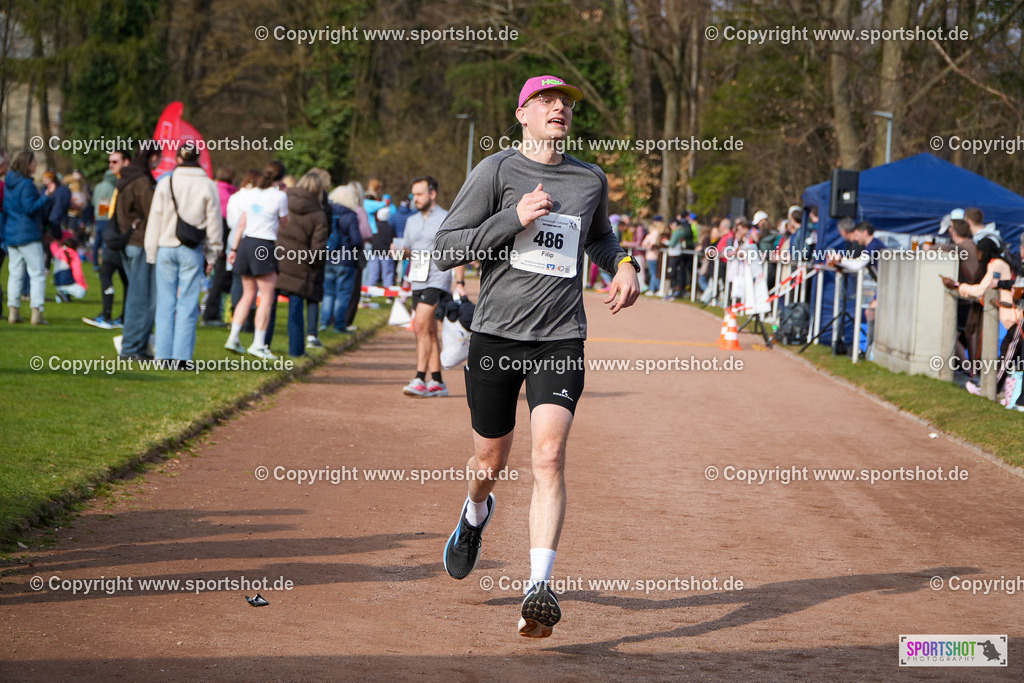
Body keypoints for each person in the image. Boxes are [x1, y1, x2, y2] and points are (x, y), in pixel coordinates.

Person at [434, 74, 640, 638]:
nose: (559, 110)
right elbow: (447, 244)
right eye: (546, 102)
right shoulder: (497, 171)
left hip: (560, 336)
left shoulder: (588, 179)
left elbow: (599, 237)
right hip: (497, 336)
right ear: (522, 114)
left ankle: (537, 587)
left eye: (566, 103)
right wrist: (513, 218)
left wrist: (624, 265)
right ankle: (475, 515)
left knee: (548, 458)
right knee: (489, 464)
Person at [145, 143, 223, 368]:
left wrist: (151, 251)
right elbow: (214, 224)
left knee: (165, 303)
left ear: (178, 158)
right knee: (188, 304)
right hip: (192, 248)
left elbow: (155, 219)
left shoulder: (165, 182)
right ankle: (181, 358)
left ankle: (162, 357)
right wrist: (213, 253)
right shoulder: (208, 185)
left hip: (166, 247)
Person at [401, 175, 466, 398]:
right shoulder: (411, 221)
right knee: (427, 330)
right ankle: (438, 382)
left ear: (432, 194)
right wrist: (400, 251)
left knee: (419, 326)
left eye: (419, 194)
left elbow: (457, 253)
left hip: (437, 279)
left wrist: (460, 282)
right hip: (417, 279)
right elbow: (408, 249)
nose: (415, 199)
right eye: (413, 195)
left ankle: (420, 378)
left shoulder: (447, 218)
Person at [223, 161, 288, 360]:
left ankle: (233, 337)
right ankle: (258, 344)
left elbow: (242, 223)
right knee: (267, 297)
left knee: (247, 294)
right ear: (281, 178)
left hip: (245, 244)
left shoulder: (249, 194)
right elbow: (285, 223)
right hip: (264, 244)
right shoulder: (280, 196)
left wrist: (233, 249)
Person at [278, 170, 329, 357]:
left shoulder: (283, 200)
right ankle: (296, 350)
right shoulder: (319, 214)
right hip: (301, 265)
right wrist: (314, 264)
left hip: (278, 258)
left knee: (270, 307)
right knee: (296, 311)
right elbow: (318, 248)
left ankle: (263, 345)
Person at [115, 147, 159, 360]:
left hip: (128, 241)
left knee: (136, 295)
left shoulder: (126, 178)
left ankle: (134, 345)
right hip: (141, 242)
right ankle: (132, 348)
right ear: (152, 157)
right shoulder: (142, 181)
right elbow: (154, 212)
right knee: (143, 298)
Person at [4, 151, 52, 325]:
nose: (36, 165)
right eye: (34, 162)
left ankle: (13, 311)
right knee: (37, 273)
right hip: (28, 234)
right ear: (27, 164)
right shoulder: (26, 185)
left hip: (12, 233)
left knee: (15, 274)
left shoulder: (10, 183)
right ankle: (36, 313)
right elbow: (29, 208)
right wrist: (46, 197)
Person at [84, 150, 131, 329]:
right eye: (109, 162)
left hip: (120, 235)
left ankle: (108, 314)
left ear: (126, 162)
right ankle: (120, 316)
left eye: (114, 161)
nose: (110, 165)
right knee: (121, 276)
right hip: (115, 233)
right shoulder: (118, 182)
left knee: (110, 273)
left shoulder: (126, 182)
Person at [321, 183, 363, 332]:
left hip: (328, 258)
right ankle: (339, 325)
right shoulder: (351, 216)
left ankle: (324, 323)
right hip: (346, 260)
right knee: (343, 294)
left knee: (328, 293)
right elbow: (356, 240)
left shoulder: (328, 213)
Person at [201, 166, 238, 327]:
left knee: (217, 278)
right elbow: (224, 220)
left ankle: (214, 312)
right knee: (219, 278)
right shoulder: (229, 194)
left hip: (211, 235)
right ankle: (211, 314)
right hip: (223, 236)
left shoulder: (214, 189)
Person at [51, 236, 87, 301]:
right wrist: (82, 284)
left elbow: (53, 245)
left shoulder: (58, 251)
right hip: (66, 281)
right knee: (82, 292)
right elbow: (77, 271)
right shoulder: (73, 254)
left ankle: (63, 295)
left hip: (57, 282)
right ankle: (65, 293)